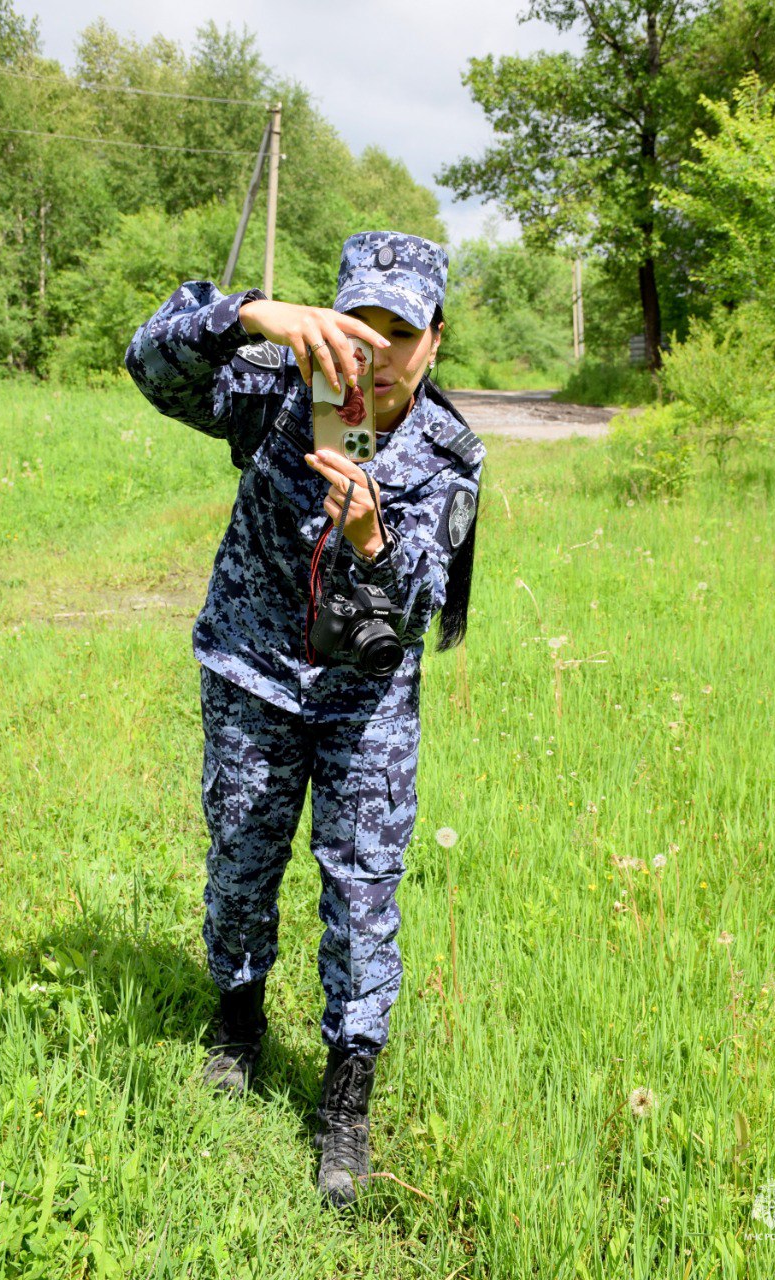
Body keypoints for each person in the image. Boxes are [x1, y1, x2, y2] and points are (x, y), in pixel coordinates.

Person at [124, 230, 485, 1208]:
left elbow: (419, 610)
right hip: (251, 672)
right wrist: (247, 315)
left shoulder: (450, 455)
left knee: (362, 890)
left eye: (398, 333)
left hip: (363, 702)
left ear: (434, 341)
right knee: (240, 861)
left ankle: (345, 1097)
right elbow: (148, 367)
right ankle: (237, 1027)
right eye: (353, 324)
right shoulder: (277, 391)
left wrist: (371, 534)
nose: (371, 352)